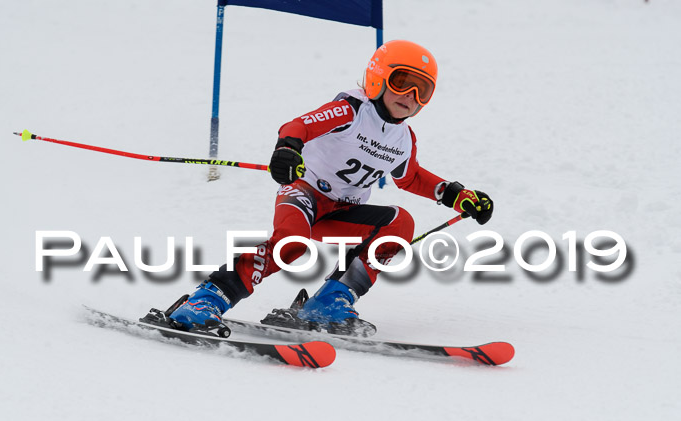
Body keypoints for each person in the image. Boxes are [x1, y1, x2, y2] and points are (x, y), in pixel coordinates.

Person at [164, 40, 493, 336]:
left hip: (343, 211)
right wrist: (288, 149)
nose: (411, 97)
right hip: (303, 194)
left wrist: (456, 195)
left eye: (423, 90)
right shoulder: (351, 110)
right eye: (403, 83)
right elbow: (299, 126)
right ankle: (204, 301)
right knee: (291, 245)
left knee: (400, 223)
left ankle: (330, 302)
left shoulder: (404, 139)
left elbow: (410, 177)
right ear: (378, 78)